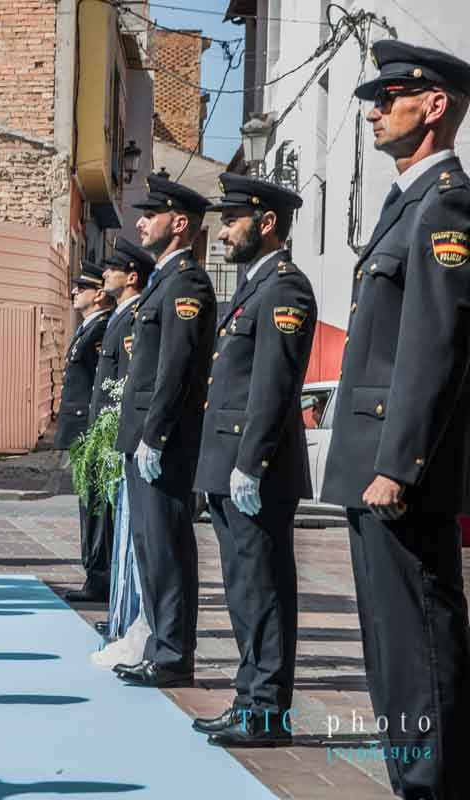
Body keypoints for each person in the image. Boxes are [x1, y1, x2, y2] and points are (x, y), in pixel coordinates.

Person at [321, 40, 470, 798]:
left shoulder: (445, 202)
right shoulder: (405, 201)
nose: (376, 111)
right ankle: (415, 782)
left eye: (391, 96)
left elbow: (433, 348)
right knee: (388, 647)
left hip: (396, 471)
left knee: (419, 646)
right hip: (371, 462)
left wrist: (396, 464)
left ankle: (434, 788)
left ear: (434, 106)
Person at [192, 174, 314, 747]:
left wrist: (252, 462)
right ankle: (248, 699)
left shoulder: (286, 288)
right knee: (244, 590)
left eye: (232, 220)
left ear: (266, 224)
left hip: (254, 469)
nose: (221, 232)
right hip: (230, 464)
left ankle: (266, 712)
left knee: (262, 590)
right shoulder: (255, 285)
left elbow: (274, 384)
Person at [113, 174, 216, 689]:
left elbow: (175, 368)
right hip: (142, 437)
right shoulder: (163, 281)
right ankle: (160, 644)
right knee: (149, 546)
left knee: (168, 545)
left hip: (164, 441)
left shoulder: (188, 284)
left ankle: (175, 653)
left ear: (180, 224)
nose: (140, 222)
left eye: (150, 215)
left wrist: (154, 436)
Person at [88, 237, 155, 653]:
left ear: (131, 276)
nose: (104, 275)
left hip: (122, 432)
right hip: (110, 430)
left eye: (111, 269)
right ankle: (118, 615)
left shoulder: (132, 318)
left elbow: (128, 380)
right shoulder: (118, 316)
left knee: (126, 533)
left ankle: (127, 617)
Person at [59, 263, 116, 601]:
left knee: (95, 505)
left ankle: (98, 577)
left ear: (98, 294)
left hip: (90, 427)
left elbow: (101, 386)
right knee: (88, 503)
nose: (74, 292)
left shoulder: (103, 329)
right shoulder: (87, 328)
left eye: (81, 287)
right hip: (80, 428)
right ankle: (93, 573)